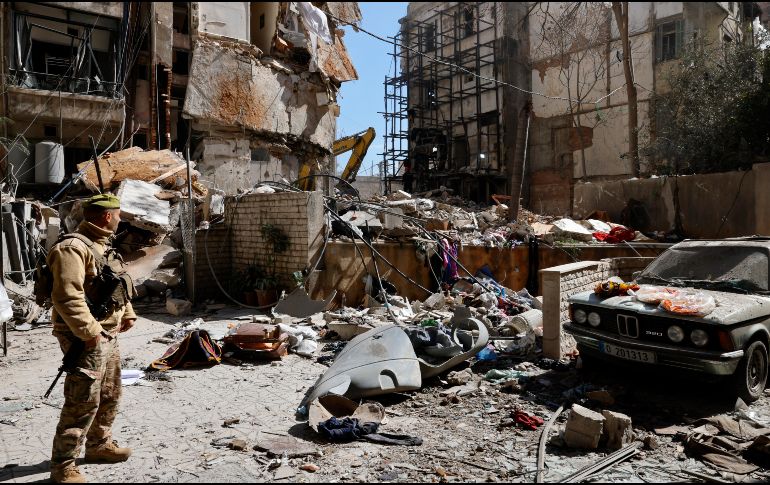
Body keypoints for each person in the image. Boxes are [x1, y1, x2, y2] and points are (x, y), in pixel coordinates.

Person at [48, 194, 137, 483]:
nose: (121, 218)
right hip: (85, 335)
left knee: (110, 393)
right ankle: (63, 466)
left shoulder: (103, 246)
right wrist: (88, 332)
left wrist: (127, 312)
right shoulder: (71, 248)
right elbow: (66, 295)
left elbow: (116, 283)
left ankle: (99, 445)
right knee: (82, 399)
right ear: (106, 216)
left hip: (106, 332)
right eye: (119, 214)